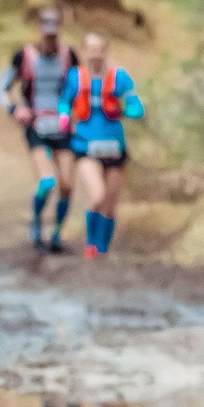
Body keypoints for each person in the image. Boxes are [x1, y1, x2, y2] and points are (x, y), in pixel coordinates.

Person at [0, 8, 82, 252]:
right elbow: (3, 87)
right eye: (47, 35)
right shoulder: (23, 56)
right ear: (39, 31)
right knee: (47, 182)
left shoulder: (69, 56)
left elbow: (79, 87)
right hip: (36, 126)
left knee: (66, 185)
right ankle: (36, 222)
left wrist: (76, 112)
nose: (50, 40)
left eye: (54, 35)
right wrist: (14, 109)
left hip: (62, 128)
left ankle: (56, 233)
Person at [66, 30, 144, 258]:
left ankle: (103, 249)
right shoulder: (75, 78)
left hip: (114, 147)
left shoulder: (119, 77)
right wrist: (63, 116)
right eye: (91, 50)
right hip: (85, 146)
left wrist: (132, 109)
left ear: (106, 51)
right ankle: (91, 244)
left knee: (110, 204)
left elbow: (134, 101)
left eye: (100, 50)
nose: (95, 55)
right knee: (98, 197)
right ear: (83, 52)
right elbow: (64, 102)